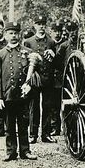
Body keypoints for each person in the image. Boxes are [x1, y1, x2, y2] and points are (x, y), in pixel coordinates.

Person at [0, 22, 39, 161]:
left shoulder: (27, 52)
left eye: (16, 33)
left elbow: (35, 73)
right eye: (11, 33)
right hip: (8, 94)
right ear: (6, 35)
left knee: (24, 123)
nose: (13, 36)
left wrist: (30, 85)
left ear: (20, 34)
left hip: (23, 94)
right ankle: (11, 151)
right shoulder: (0, 54)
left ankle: (25, 150)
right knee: (9, 124)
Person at [23, 14, 57, 144]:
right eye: (39, 24)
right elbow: (24, 62)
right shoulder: (29, 42)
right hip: (35, 79)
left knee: (47, 106)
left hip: (48, 78)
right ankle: (33, 134)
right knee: (34, 106)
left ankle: (46, 134)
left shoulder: (51, 42)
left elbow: (55, 62)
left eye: (43, 24)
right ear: (35, 25)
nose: (41, 27)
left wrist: (53, 56)